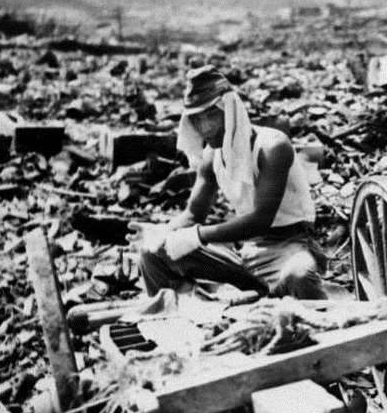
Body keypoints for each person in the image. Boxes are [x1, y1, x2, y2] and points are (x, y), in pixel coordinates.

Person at [129, 65, 326, 299]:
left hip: (290, 246)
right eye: (197, 120)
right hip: (246, 253)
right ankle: (172, 322)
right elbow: (193, 215)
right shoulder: (213, 156)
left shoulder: (272, 147)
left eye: (211, 115)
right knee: (152, 254)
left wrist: (197, 236)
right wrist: (162, 232)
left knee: (299, 276)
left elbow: (260, 220)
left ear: (231, 111)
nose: (204, 128)